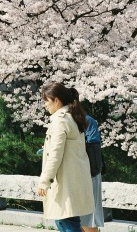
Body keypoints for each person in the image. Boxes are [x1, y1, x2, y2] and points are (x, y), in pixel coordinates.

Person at [37, 82, 94, 232]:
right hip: (74, 180)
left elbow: (55, 155)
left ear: (56, 100)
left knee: (66, 223)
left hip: (66, 182)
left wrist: (44, 181)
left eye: (46, 101)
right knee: (69, 221)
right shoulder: (73, 117)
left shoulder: (60, 121)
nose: (45, 105)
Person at [69, 90, 104, 232]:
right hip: (86, 172)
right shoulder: (86, 120)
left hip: (87, 173)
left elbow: (93, 149)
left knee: (87, 216)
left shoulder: (85, 121)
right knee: (87, 216)